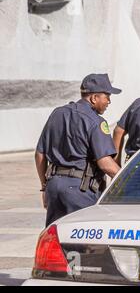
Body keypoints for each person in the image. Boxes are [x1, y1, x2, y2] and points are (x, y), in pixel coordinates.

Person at [35, 74, 122, 227]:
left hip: (54, 187)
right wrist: (127, 180)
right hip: (79, 190)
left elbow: (39, 154)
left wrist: (44, 187)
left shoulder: (57, 113)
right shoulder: (96, 122)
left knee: (57, 238)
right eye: (107, 96)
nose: (109, 101)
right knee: (84, 240)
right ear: (94, 98)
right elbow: (105, 163)